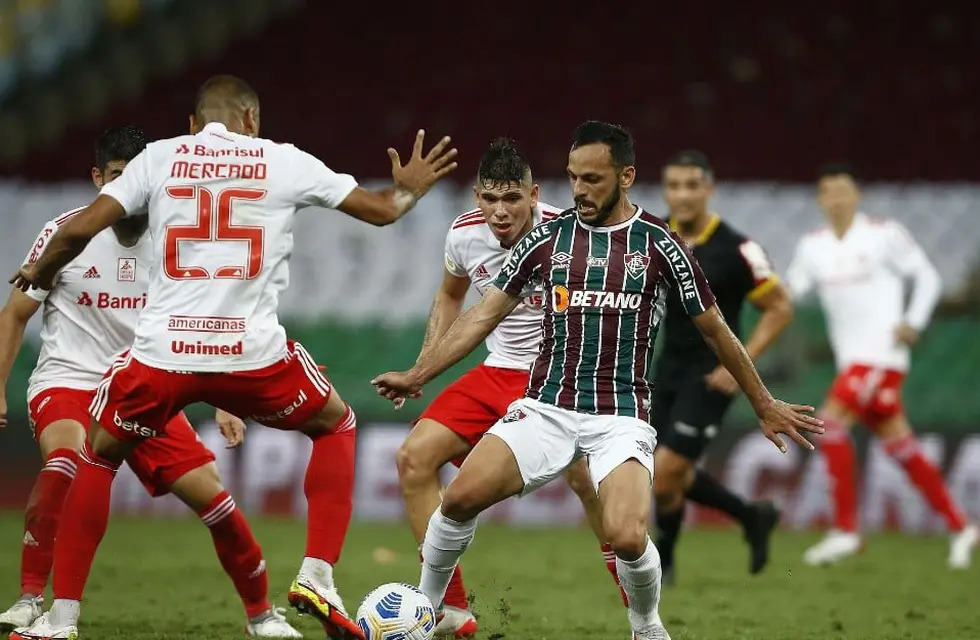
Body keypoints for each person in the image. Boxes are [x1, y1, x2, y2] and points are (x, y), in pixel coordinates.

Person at [9, 75, 457, 640]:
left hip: (163, 355)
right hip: (250, 353)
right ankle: (317, 573)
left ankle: (61, 618)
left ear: (193, 125)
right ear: (252, 121)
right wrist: (410, 188)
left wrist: (41, 270)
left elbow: (82, 229)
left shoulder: (159, 157)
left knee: (98, 457)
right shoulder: (283, 160)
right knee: (337, 423)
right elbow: (384, 210)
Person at [372, 121, 822, 640]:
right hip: (545, 407)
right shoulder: (546, 238)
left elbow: (717, 331)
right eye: (573, 179)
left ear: (626, 176)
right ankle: (427, 613)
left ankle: (647, 626)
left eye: (592, 179)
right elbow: (481, 316)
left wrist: (763, 403)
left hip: (619, 415)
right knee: (456, 501)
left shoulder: (660, 245)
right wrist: (418, 372)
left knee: (626, 535)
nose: (579, 191)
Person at [0, 125, 300, 638]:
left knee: (215, 501)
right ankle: (33, 599)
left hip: (145, 387)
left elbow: (211, 323)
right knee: (67, 458)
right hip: (70, 379)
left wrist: (226, 400)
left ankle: (261, 614)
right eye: (119, 177)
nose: (131, 191)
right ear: (99, 179)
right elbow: (15, 314)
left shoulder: (176, 243)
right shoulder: (67, 235)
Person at [396, 138, 626, 638]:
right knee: (414, 458)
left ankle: (637, 606)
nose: (500, 212)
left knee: (589, 484)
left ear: (533, 195)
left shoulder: (574, 233)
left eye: (512, 199)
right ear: (477, 196)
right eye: (489, 199)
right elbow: (450, 294)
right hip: (498, 371)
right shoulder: (463, 235)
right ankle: (450, 611)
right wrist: (424, 364)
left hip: (560, 375)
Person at [787, 164, 978, 568]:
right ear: (820, 200)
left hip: (882, 356)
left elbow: (926, 277)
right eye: (828, 192)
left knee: (831, 423)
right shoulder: (813, 246)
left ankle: (845, 531)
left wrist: (913, 321)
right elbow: (794, 288)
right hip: (851, 360)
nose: (836, 198)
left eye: (843, 190)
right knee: (902, 448)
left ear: (856, 196)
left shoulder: (883, 235)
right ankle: (962, 526)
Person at [651, 150, 793, 584]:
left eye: (692, 185)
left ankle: (665, 561)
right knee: (663, 477)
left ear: (709, 190)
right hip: (663, 372)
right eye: (674, 185)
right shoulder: (652, 237)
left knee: (666, 471)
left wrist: (739, 364)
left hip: (712, 376)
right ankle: (749, 517)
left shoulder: (738, 249)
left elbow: (779, 308)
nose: (682, 195)